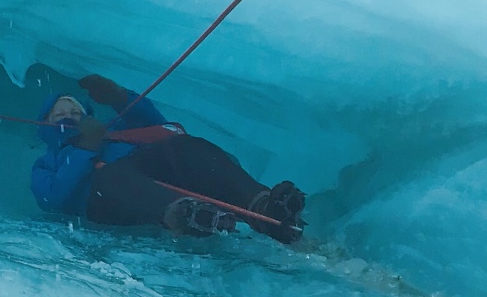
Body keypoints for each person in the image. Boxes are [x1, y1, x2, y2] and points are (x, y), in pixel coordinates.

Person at [30, 73, 305, 243]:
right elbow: (53, 199)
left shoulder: (113, 132)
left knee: (186, 147)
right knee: (109, 177)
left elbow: (158, 130)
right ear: (45, 125)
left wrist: (119, 98)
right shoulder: (48, 162)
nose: (69, 113)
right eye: (59, 112)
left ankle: (263, 206)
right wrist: (83, 150)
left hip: (148, 176)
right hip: (106, 198)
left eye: (75, 109)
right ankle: (183, 215)